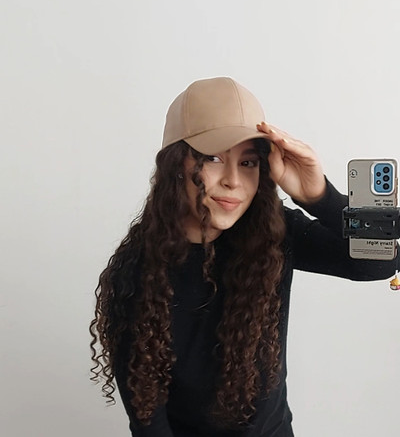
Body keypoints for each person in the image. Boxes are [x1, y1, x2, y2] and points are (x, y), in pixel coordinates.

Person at [90, 77, 398, 437]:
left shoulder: (271, 232)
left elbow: (379, 263)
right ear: (176, 164)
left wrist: (320, 198)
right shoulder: (136, 270)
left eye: (249, 162)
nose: (233, 180)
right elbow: (147, 417)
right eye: (213, 158)